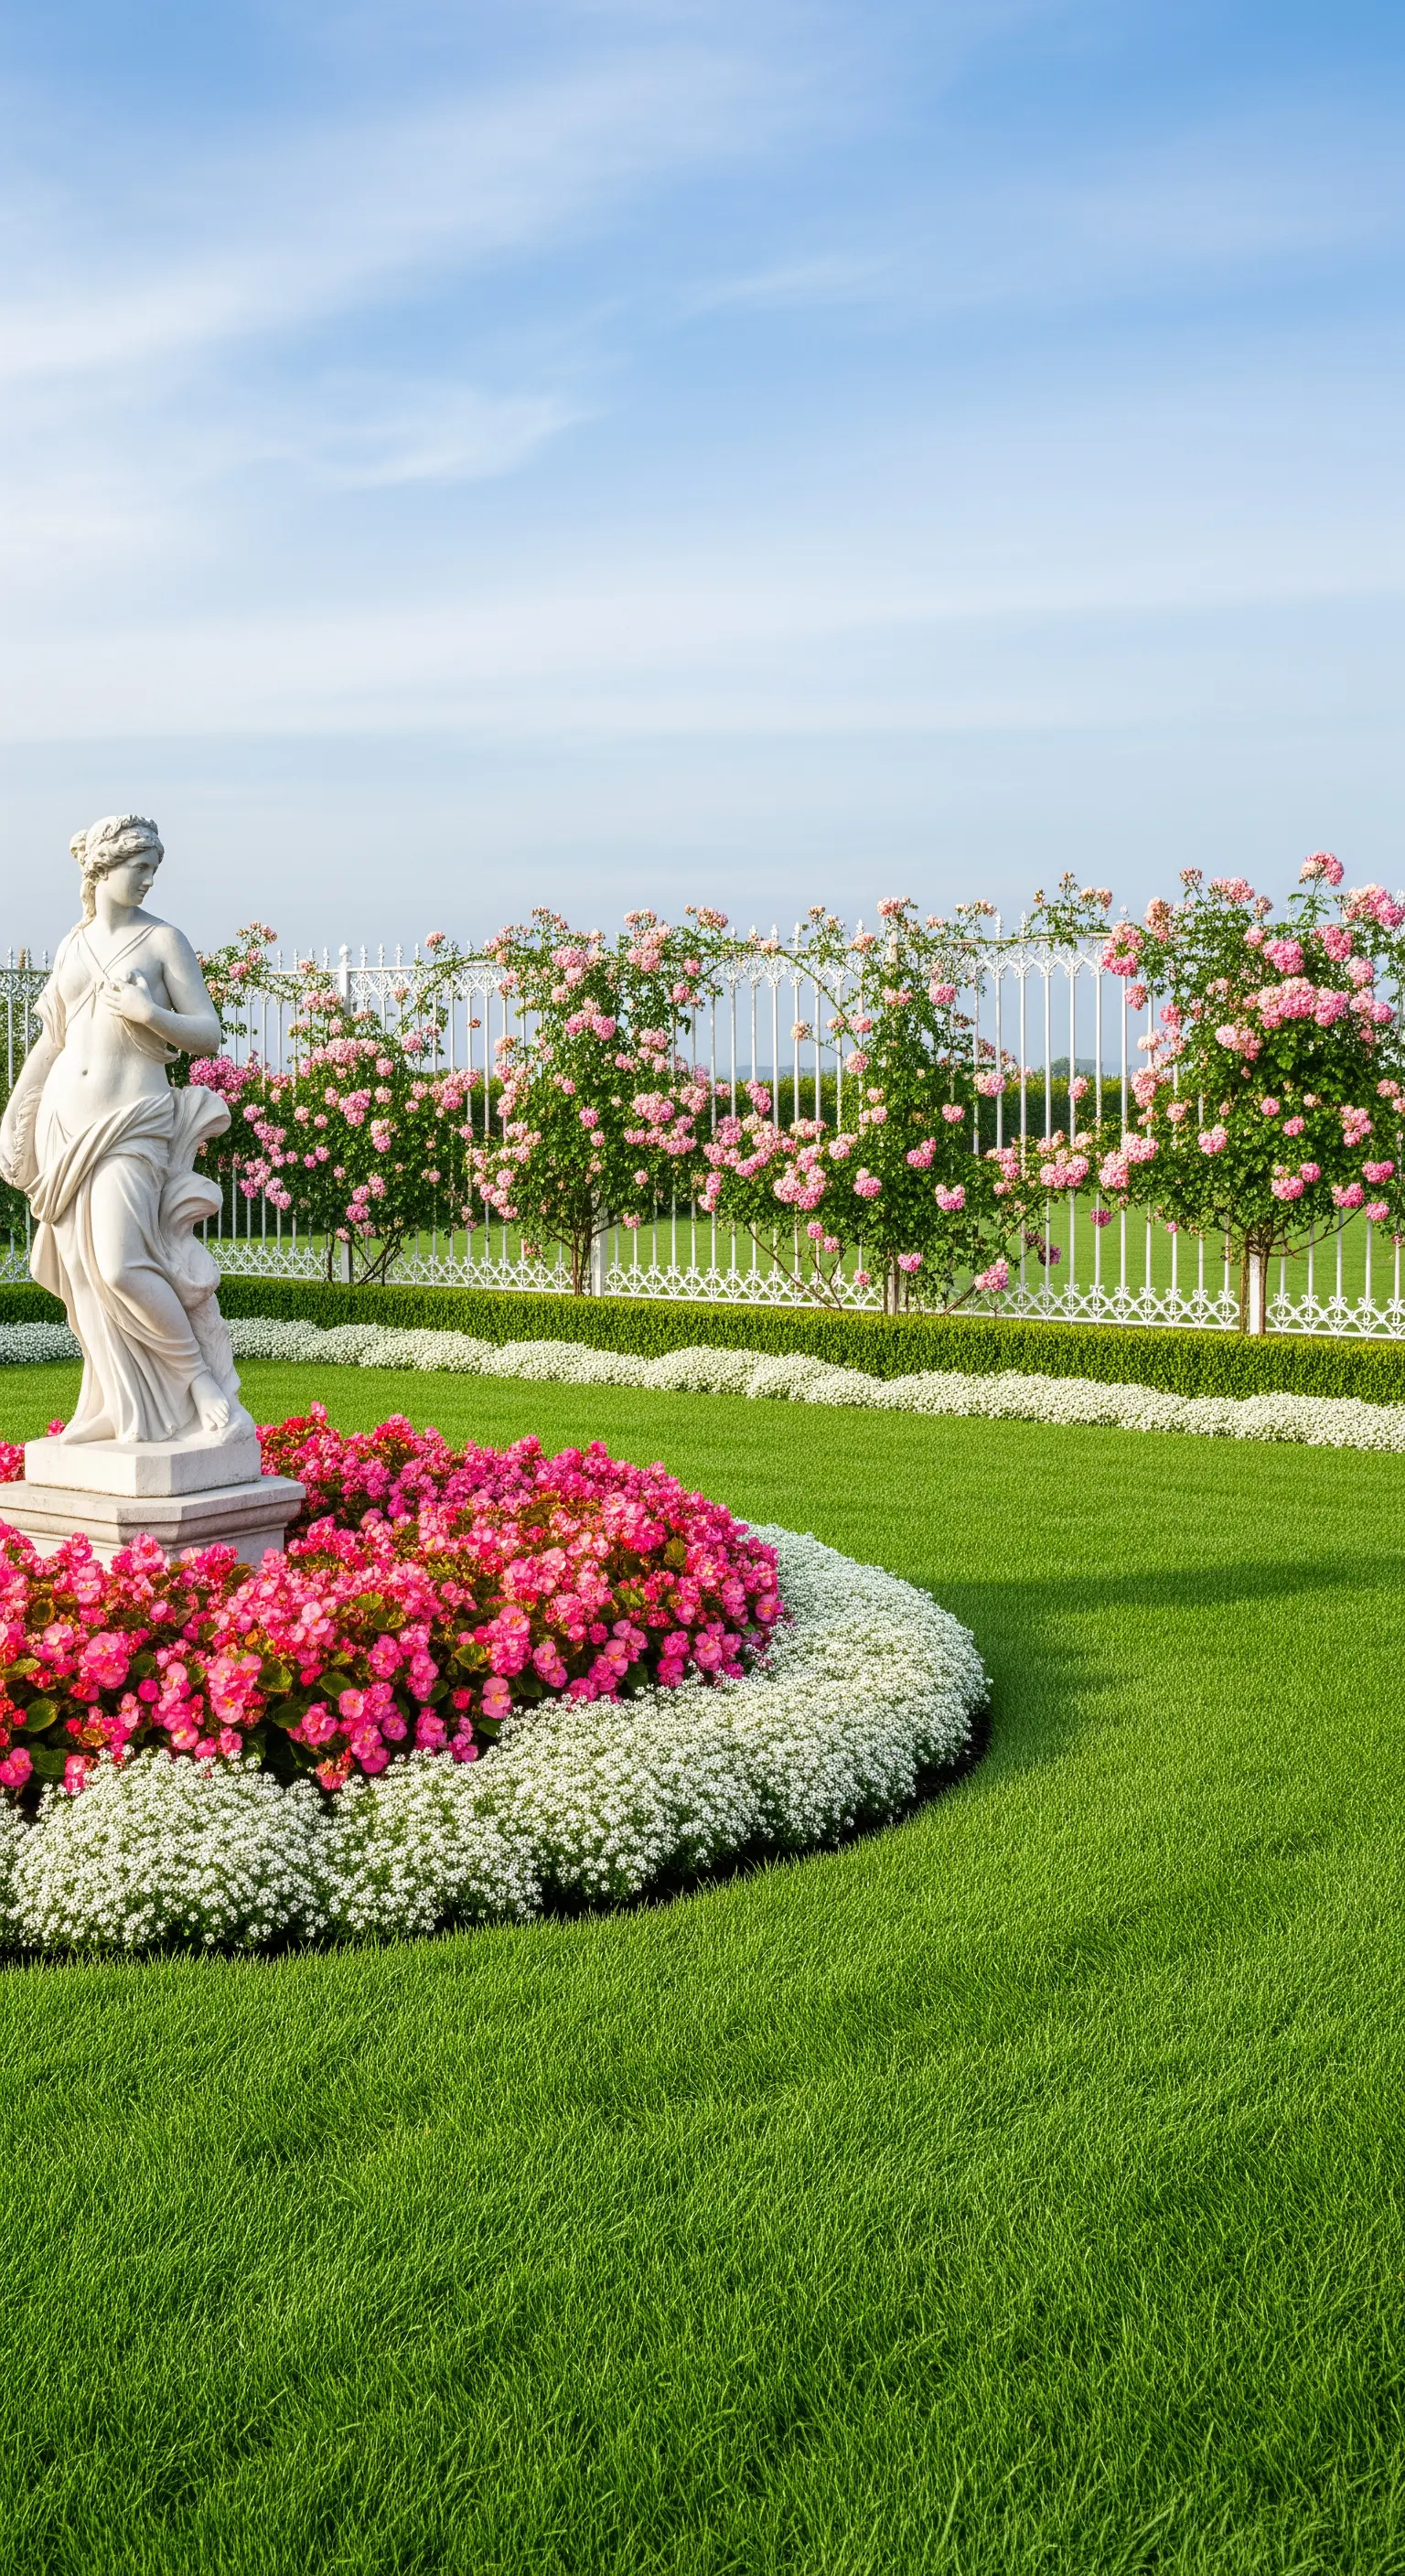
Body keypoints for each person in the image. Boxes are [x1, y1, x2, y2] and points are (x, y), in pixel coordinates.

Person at [0, 814, 250, 1445]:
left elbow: (207, 1031)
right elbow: (53, 1040)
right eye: (139, 868)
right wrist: (17, 1107)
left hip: (131, 1119)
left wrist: (151, 1012)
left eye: (153, 870)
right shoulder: (72, 943)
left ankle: (197, 1382)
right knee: (81, 1272)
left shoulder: (164, 941)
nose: (147, 881)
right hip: (66, 1119)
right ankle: (113, 1406)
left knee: (118, 1264)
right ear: (102, 870)